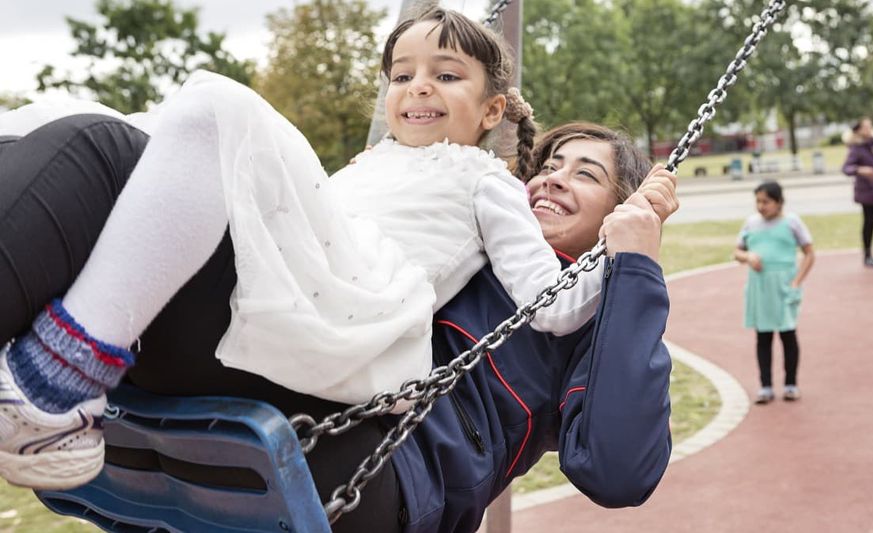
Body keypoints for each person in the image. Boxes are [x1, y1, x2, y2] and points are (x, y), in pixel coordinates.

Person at [1, 112, 676, 530]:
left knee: (103, 151)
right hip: (294, 363)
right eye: (550, 164)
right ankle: (52, 376)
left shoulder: (598, 314)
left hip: (372, 464)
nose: (552, 178)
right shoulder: (468, 226)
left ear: (621, 214)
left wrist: (635, 267)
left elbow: (617, 469)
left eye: (586, 174)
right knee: (109, 150)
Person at [733, 181, 815, 404]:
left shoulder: (792, 222)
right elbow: (737, 252)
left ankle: (791, 384)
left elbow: (809, 253)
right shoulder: (751, 223)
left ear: (779, 202)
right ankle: (766, 386)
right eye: (758, 201)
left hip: (784, 286)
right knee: (763, 337)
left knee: (788, 335)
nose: (761, 206)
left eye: (766, 202)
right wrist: (748, 257)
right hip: (760, 287)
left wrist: (797, 281)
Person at [842, 117, 873, 267]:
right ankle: (867, 255)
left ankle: (870, 254)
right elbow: (846, 168)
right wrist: (861, 170)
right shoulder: (857, 148)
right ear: (859, 130)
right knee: (869, 223)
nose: (869, 130)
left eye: (870, 126)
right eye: (866, 127)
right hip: (867, 192)